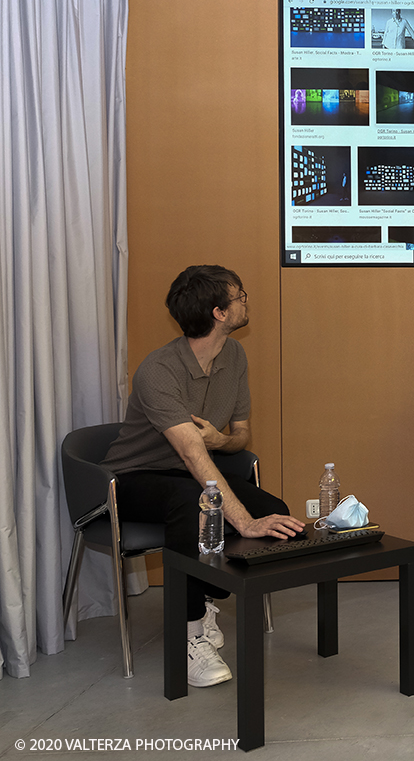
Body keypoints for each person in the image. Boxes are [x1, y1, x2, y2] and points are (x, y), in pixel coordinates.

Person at [103, 265, 305, 686]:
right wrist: (243, 520)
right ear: (218, 312)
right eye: (240, 295)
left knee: (276, 511)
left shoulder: (233, 355)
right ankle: (190, 632)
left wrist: (220, 439)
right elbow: (193, 458)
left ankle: (209, 596)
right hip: (135, 479)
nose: (246, 299)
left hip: (192, 474)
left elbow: (240, 436)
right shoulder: (157, 371)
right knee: (195, 503)